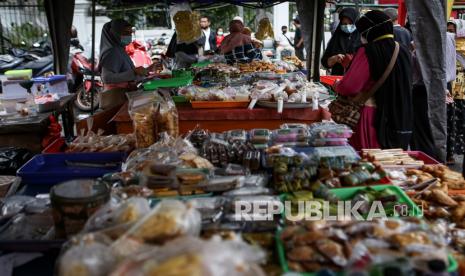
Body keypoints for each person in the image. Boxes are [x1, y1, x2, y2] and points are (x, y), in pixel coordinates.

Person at [334, 10, 413, 150]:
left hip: (372, 118)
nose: (361, 36)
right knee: (391, 166)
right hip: (400, 119)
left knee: (369, 162)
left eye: (362, 32)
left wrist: (337, 85)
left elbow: (350, 87)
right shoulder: (404, 51)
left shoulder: (368, 51)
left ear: (370, 31)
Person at [98, 19, 151, 110]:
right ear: (114, 33)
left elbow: (128, 74)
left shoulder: (120, 50)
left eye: (130, 33)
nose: (129, 36)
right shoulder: (111, 52)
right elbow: (107, 78)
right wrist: (134, 72)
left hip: (125, 97)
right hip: (116, 99)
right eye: (125, 33)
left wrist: (148, 70)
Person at [321, 8, 361, 76]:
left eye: (351, 23)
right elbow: (325, 62)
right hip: (337, 80)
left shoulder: (362, 39)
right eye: (344, 24)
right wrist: (334, 59)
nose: (347, 26)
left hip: (356, 79)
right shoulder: (336, 38)